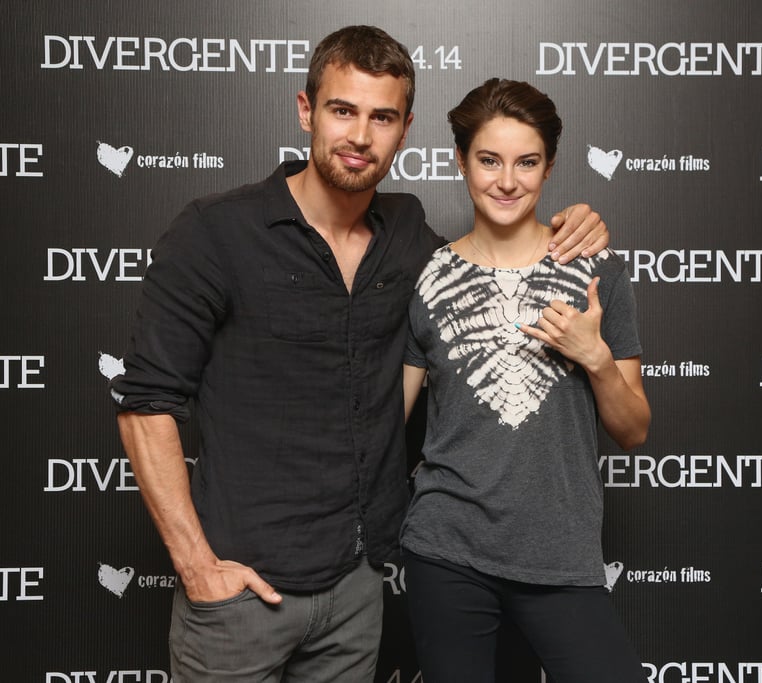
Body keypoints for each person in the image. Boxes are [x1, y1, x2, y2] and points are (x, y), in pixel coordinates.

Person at [111, 26, 609, 682]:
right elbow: (146, 403)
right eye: (342, 110)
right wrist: (198, 567)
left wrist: (574, 224)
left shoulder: (409, 239)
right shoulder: (215, 232)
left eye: (381, 117)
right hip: (241, 594)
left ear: (404, 130)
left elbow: (494, 252)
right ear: (305, 110)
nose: (359, 135)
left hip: (355, 592)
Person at [401, 78, 650, 682]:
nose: (507, 181)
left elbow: (633, 430)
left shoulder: (597, 272)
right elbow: (385, 420)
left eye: (527, 162)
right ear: (461, 161)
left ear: (550, 166)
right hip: (449, 550)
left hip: (561, 554)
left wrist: (594, 357)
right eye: (489, 160)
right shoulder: (425, 276)